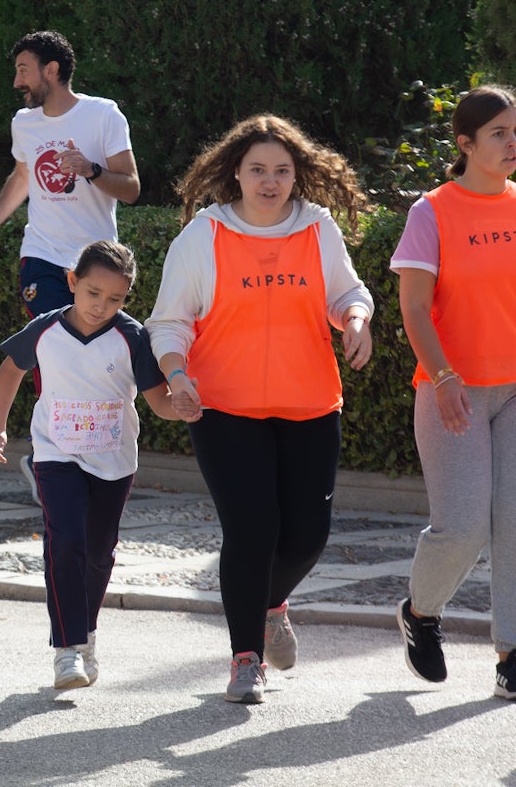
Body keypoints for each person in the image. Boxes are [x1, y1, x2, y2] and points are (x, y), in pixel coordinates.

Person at [146, 114, 374, 704]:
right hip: (224, 408)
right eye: (257, 170)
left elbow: (346, 292)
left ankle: (270, 604)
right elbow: (169, 321)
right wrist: (176, 375)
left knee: (306, 538)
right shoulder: (204, 236)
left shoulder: (318, 229)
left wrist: (355, 318)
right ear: (236, 174)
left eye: (281, 170)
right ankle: (246, 657)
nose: (270, 182)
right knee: (252, 531)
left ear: (297, 175)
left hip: (309, 405)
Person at [0, 240, 178, 690]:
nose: (101, 306)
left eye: (115, 298)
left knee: (98, 553)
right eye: (92, 293)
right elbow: (11, 370)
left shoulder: (132, 337)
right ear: (72, 282)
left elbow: (159, 402)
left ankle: (86, 635)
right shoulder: (45, 329)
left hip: (113, 461)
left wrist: (183, 407)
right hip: (55, 453)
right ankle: (67, 650)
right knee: (65, 539)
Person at [0, 30, 141, 503]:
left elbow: (132, 187)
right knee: (51, 348)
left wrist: (92, 170)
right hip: (42, 257)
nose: (17, 80)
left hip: (96, 264)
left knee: (88, 358)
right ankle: (52, 452)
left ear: (51, 70)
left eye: (23, 69)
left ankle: (84, 451)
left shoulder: (103, 114)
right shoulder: (25, 124)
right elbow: (23, 175)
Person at [390, 85, 516, 698]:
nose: (512, 143)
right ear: (465, 144)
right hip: (453, 390)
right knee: (462, 526)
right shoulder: (432, 211)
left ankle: (512, 651)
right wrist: (442, 377)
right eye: (498, 134)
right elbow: (413, 306)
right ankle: (420, 612)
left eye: (515, 131)